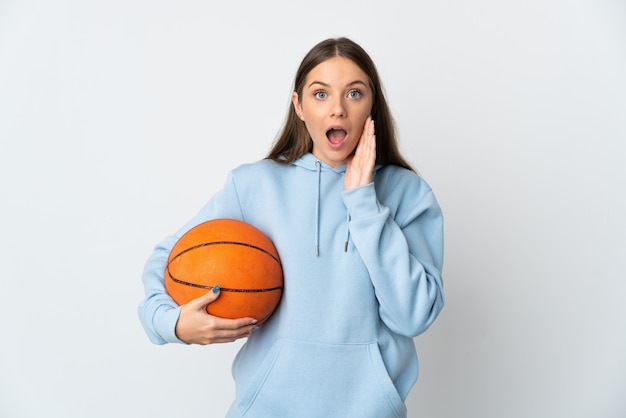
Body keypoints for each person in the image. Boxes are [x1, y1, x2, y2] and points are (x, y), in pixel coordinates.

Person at [139, 36, 444, 418]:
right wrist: (172, 323)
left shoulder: (407, 193)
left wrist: (364, 202)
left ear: (372, 107)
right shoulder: (254, 186)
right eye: (320, 94)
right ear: (298, 105)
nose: (337, 109)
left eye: (353, 93)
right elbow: (167, 258)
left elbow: (413, 316)